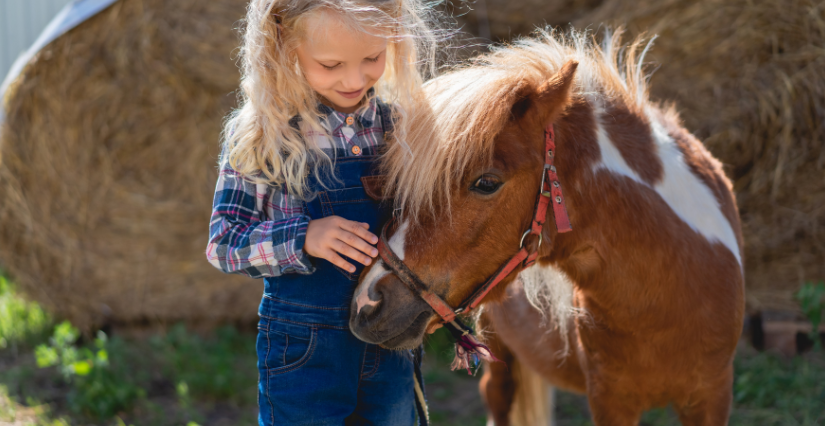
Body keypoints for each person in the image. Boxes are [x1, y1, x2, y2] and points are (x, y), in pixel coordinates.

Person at [205, 0, 438, 424]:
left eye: (372, 58)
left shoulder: (402, 127)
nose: (354, 78)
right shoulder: (263, 134)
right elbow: (224, 243)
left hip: (389, 340)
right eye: (330, 64)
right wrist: (303, 237)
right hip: (304, 349)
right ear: (284, 49)